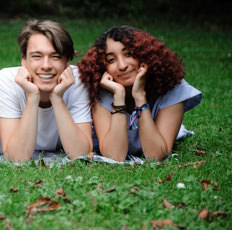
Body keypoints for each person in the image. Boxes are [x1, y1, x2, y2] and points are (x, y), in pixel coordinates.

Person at [77, 25, 202, 162]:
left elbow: (155, 155)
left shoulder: (172, 88)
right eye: (111, 60)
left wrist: (139, 96)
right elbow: (114, 156)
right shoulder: (100, 91)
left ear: (145, 55)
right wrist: (118, 96)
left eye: (128, 54)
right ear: (103, 67)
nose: (122, 65)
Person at [0, 19, 92, 161]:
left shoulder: (77, 81)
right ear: (24, 60)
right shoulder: (5, 81)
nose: (46, 65)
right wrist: (32, 97)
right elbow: (17, 157)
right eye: (37, 56)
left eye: (55, 56)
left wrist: (57, 98)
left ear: (68, 62)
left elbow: (81, 154)